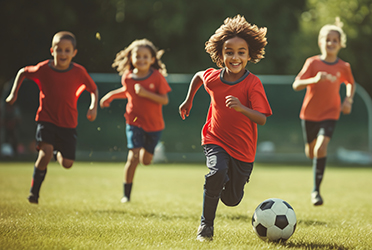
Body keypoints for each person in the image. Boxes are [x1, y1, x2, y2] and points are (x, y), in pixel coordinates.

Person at [179, 15, 272, 241]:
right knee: (216, 172)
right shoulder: (214, 78)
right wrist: (188, 99)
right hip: (214, 138)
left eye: (241, 52)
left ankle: (226, 182)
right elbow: (198, 76)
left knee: (232, 200)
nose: (235, 57)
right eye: (229, 51)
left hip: (243, 151)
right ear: (220, 55)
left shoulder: (253, 83)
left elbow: (261, 118)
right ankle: (205, 227)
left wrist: (241, 108)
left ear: (250, 55)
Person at [6, 31, 98, 204]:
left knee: (67, 163)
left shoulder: (79, 72)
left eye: (67, 50)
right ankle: (34, 193)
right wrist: (13, 94)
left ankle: (57, 153)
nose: (63, 54)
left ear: (74, 53)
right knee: (44, 153)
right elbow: (23, 72)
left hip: (68, 123)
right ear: (52, 50)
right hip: (46, 119)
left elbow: (93, 89)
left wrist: (93, 106)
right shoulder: (44, 69)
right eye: (59, 50)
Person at [292, 18, 355, 206]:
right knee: (311, 153)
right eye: (328, 39)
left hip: (331, 113)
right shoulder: (312, 63)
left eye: (335, 40)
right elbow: (296, 84)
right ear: (321, 42)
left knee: (321, 148)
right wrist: (313, 80)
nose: (331, 43)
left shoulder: (344, 67)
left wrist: (348, 99)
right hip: (309, 115)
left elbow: (351, 83)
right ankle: (312, 156)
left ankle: (316, 192)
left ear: (340, 44)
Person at [100, 39, 171, 203]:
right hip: (134, 122)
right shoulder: (128, 78)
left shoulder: (157, 77)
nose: (141, 59)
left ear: (152, 59)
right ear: (131, 58)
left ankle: (148, 152)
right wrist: (111, 96)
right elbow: (128, 92)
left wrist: (146, 93)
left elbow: (164, 99)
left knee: (145, 161)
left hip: (154, 126)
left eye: (145, 56)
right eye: (137, 56)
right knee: (133, 158)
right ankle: (126, 195)